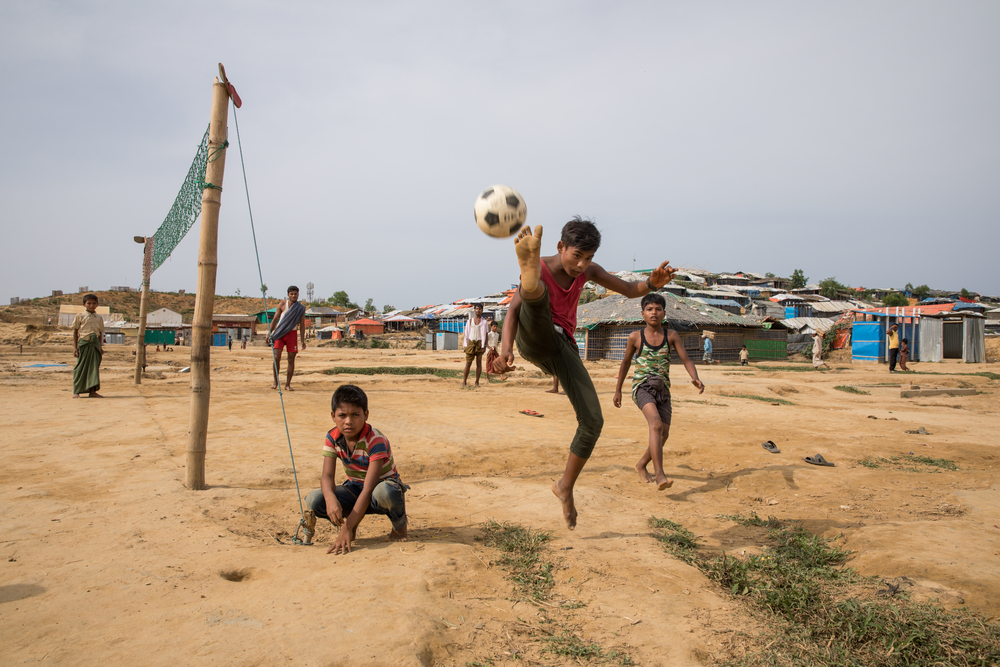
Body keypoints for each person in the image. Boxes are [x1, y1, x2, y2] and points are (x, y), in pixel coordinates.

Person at [496, 217, 677, 529]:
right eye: (576, 256)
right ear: (560, 247)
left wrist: (652, 284)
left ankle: (564, 485)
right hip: (533, 332)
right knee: (533, 295)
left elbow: (629, 289)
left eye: (588, 258)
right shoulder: (544, 264)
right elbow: (512, 311)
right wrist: (504, 349)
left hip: (561, 345)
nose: (581, 265)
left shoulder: (589, 271)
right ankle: (530, 279)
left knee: (593, 421)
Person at [614, 293, 704, 490]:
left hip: (663, 390)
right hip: (642, 387)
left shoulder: (671, 336)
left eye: (657, 309)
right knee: (655, 424)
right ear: (642, 313)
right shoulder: (635, 337)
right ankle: (660, 474)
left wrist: (695, 377)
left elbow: (686, 359)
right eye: (649, 309)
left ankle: (641, 465)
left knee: (664, 434)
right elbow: (626, 363)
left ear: (664, 313)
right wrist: (618, 390)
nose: (653, 312)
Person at [304, 384, 408, 554]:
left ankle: (399, 526)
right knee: (314, 500)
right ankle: (352, 522)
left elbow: (368, 489)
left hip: (379, 488)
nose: (348, 422)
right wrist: (330, 499)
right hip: (355, 487)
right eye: (342, 415)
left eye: (355, 415)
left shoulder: (375, 440)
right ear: (333, 416)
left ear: (366, 415)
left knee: (385, 492)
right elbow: (327, 476)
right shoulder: (333, 437)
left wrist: (346, 527)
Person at [266, 286, 307, 390]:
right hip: (279, 333)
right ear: (288, 294)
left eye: (295, 294)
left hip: (292, 334)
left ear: (298, 294)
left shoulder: (301, 309)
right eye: (291, 294)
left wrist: (302, 340)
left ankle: (288, 384)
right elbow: (275, 320)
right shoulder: (282, 305)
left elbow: (302, 325)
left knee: (291, 359)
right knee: (276, 357)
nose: (293, 295)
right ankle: (275, 382)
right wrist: (268, 334)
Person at [72, 293, 105, 398]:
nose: (91, 305)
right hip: (84, 343)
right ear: (84, 304)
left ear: (97, 305)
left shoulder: (99, 318)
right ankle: (76, 391)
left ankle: (92, 392)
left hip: (94, 344)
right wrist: (75, 347)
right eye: (89, 303)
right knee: (80, 367)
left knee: (94, 368)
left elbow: (100, 333)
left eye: (94, 303)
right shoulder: (80, 316)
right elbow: (75, 332)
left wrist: (100, 346)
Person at [462, 304, 489, 387]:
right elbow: (466, 334)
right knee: (468, 363)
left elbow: (486, 334)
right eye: (477, 309)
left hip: (480, 343)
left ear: (482, 311)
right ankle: (464, 381)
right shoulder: (469, 321)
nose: (478, 310)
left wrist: (484, 346)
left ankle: (477, 382)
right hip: (471, 342)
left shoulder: (484, 322)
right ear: (474, 310)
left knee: (479, 363)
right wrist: (466, 345)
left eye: (480, 309)